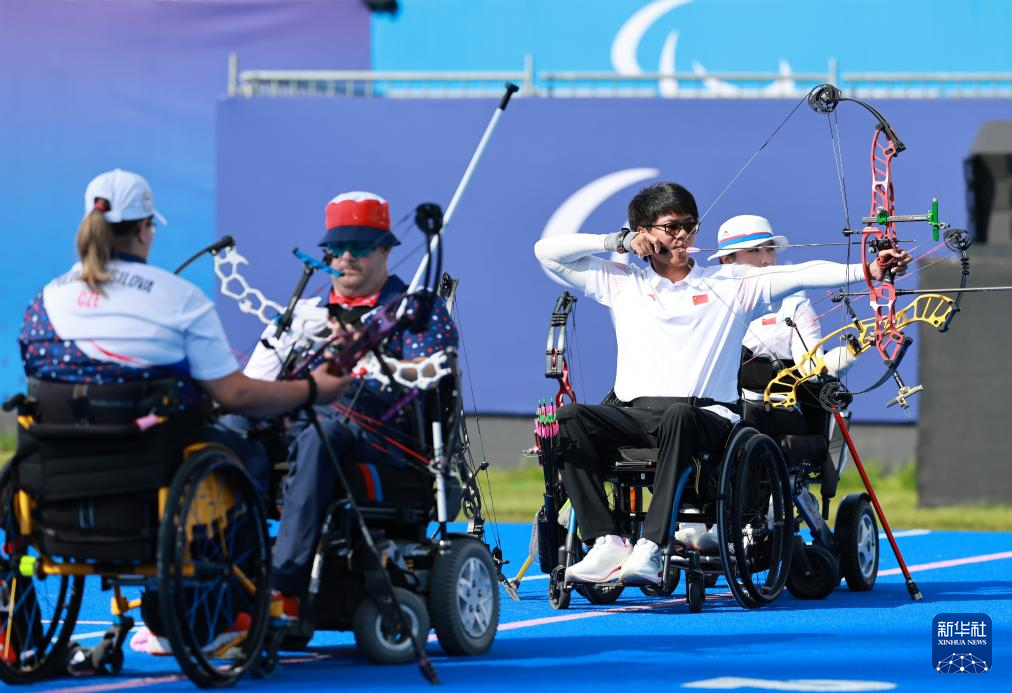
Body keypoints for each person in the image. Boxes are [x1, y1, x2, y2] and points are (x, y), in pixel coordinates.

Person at [17, 168, 351, 657]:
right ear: (144, 229)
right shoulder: (177, 299)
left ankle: (22, 641)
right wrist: (311, 389)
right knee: (247, 456)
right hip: (152, 472)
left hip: (55, 480)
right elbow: (235, 395)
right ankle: (224, 615)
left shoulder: (42, 303)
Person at [533, 181, 909, 586]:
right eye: (671, 227)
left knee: (679, 415)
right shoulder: (623, 282)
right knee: (568, 418)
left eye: (689, 226)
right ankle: (607, 542)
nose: (683, 235)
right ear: (643, 232)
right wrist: (617, 241)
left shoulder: (731, 282)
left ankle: (651, 546)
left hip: (708, 417)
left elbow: (803, 273)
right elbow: (546, 252)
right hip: (637, 413)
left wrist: (869, 270)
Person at [244, 191, 459, 617]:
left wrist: (365, 357)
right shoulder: (304, 313)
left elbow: (432, 375)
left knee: (320, 433)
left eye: (359, 247)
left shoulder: (416, 308)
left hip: (384, 435)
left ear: (385, 251)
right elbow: (254, 385)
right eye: (337, 247)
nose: (346, 257)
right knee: (233, 430)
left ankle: (283, 587)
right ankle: (229, 573)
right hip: (302, 419)